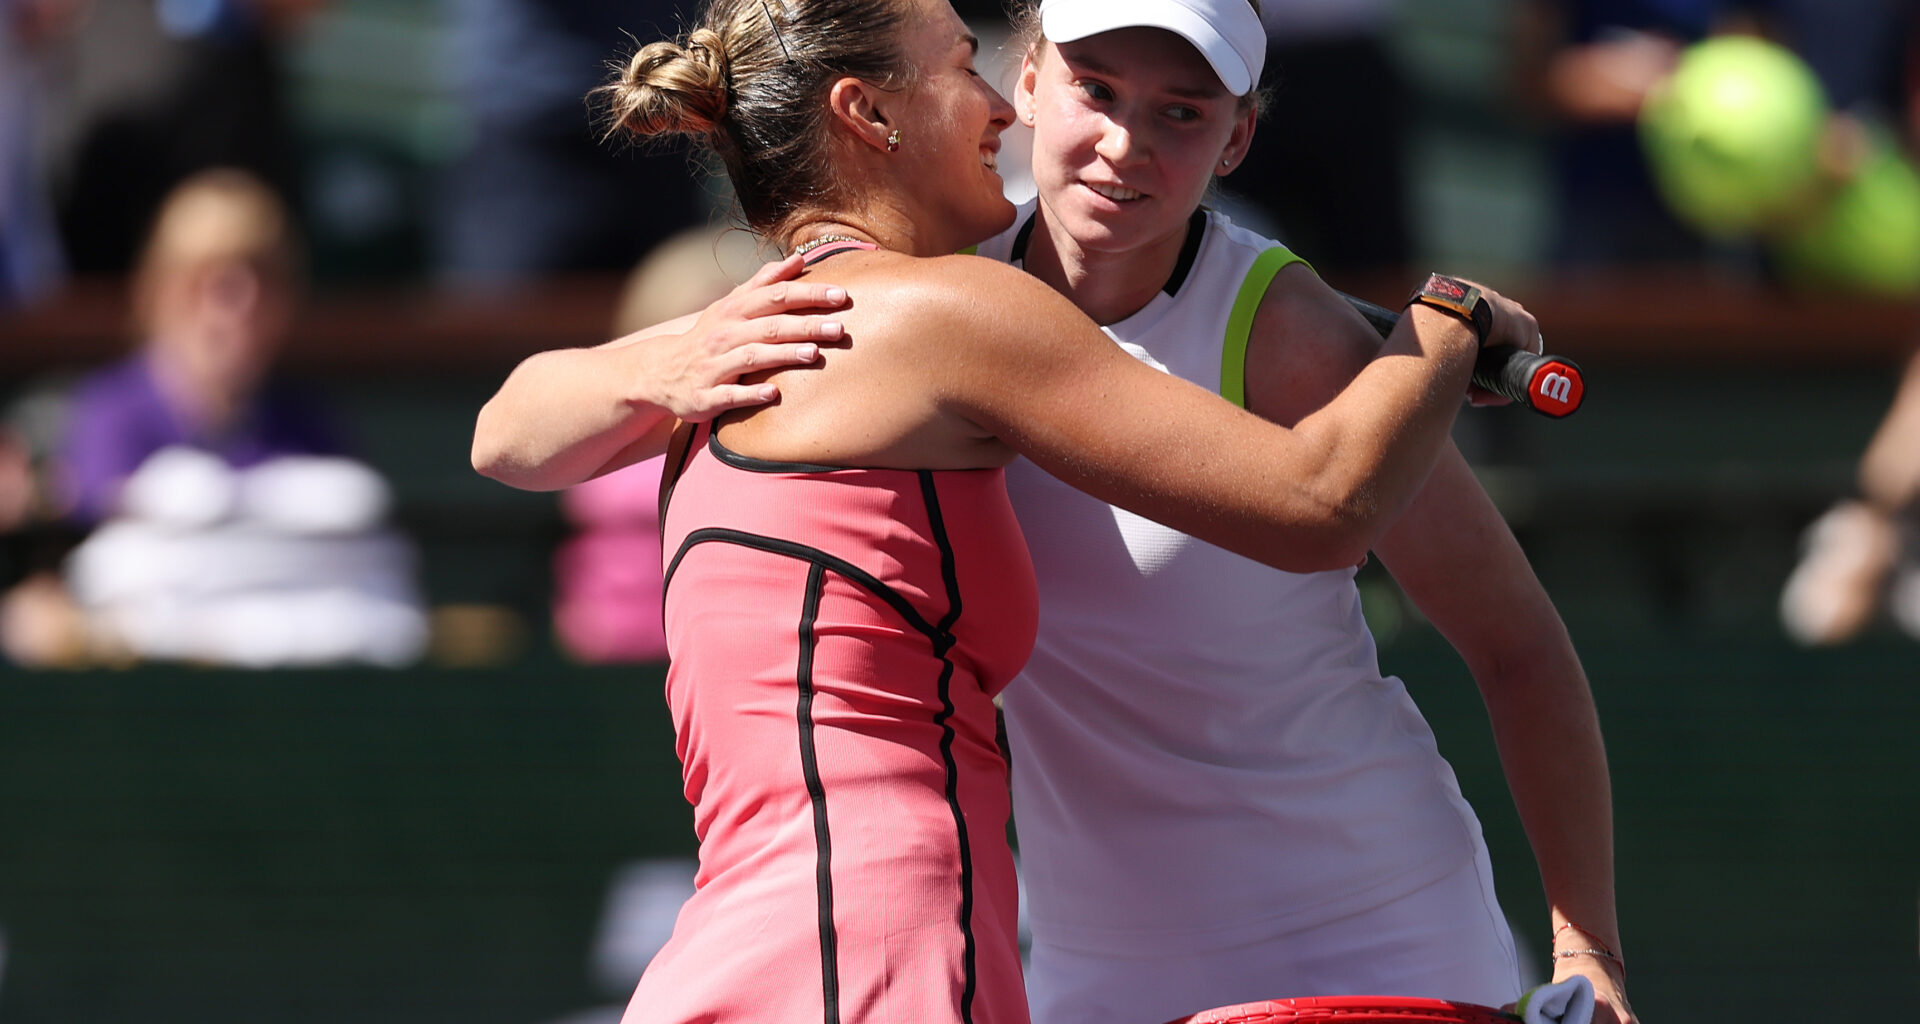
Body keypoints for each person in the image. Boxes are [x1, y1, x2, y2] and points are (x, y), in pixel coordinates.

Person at [469, 0, 1544, 1019]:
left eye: (1180, 109)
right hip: (873, 946)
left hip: (746, 948)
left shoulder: (761, 328)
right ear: (869, 112)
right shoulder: (957, 308)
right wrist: (1447, 325)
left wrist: (656, 360)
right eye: (959, 67)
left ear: (1236, 135)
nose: (992, 105)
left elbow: (502, 435)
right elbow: (1323, 506)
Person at [47, 168, 427, 667]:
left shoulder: (312, 422)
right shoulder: (108, 414)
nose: (239, 307)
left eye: (263, 283)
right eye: (212, 283)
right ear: (160, 291)